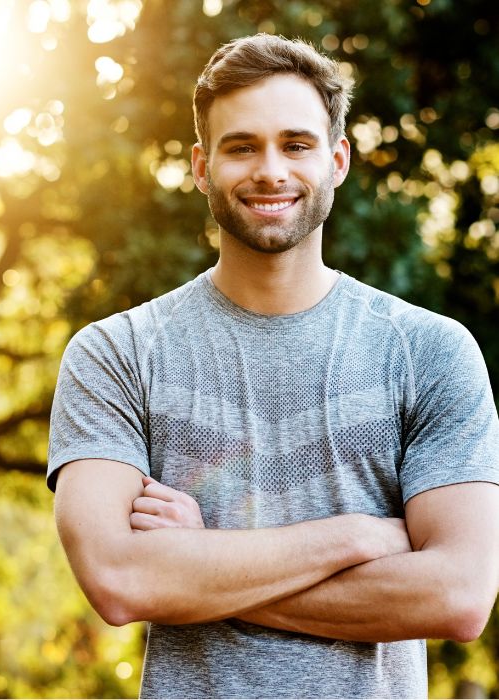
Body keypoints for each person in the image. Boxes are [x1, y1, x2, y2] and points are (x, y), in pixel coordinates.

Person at [47, 33, 499, 699]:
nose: (270, 170)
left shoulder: (430, 353)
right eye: (241, 147)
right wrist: (358, 536)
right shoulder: (116, 354)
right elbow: (121, 582)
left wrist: (200, 563)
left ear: (337, 160)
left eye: (296, 144)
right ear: (201, 167)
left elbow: (458, 596)